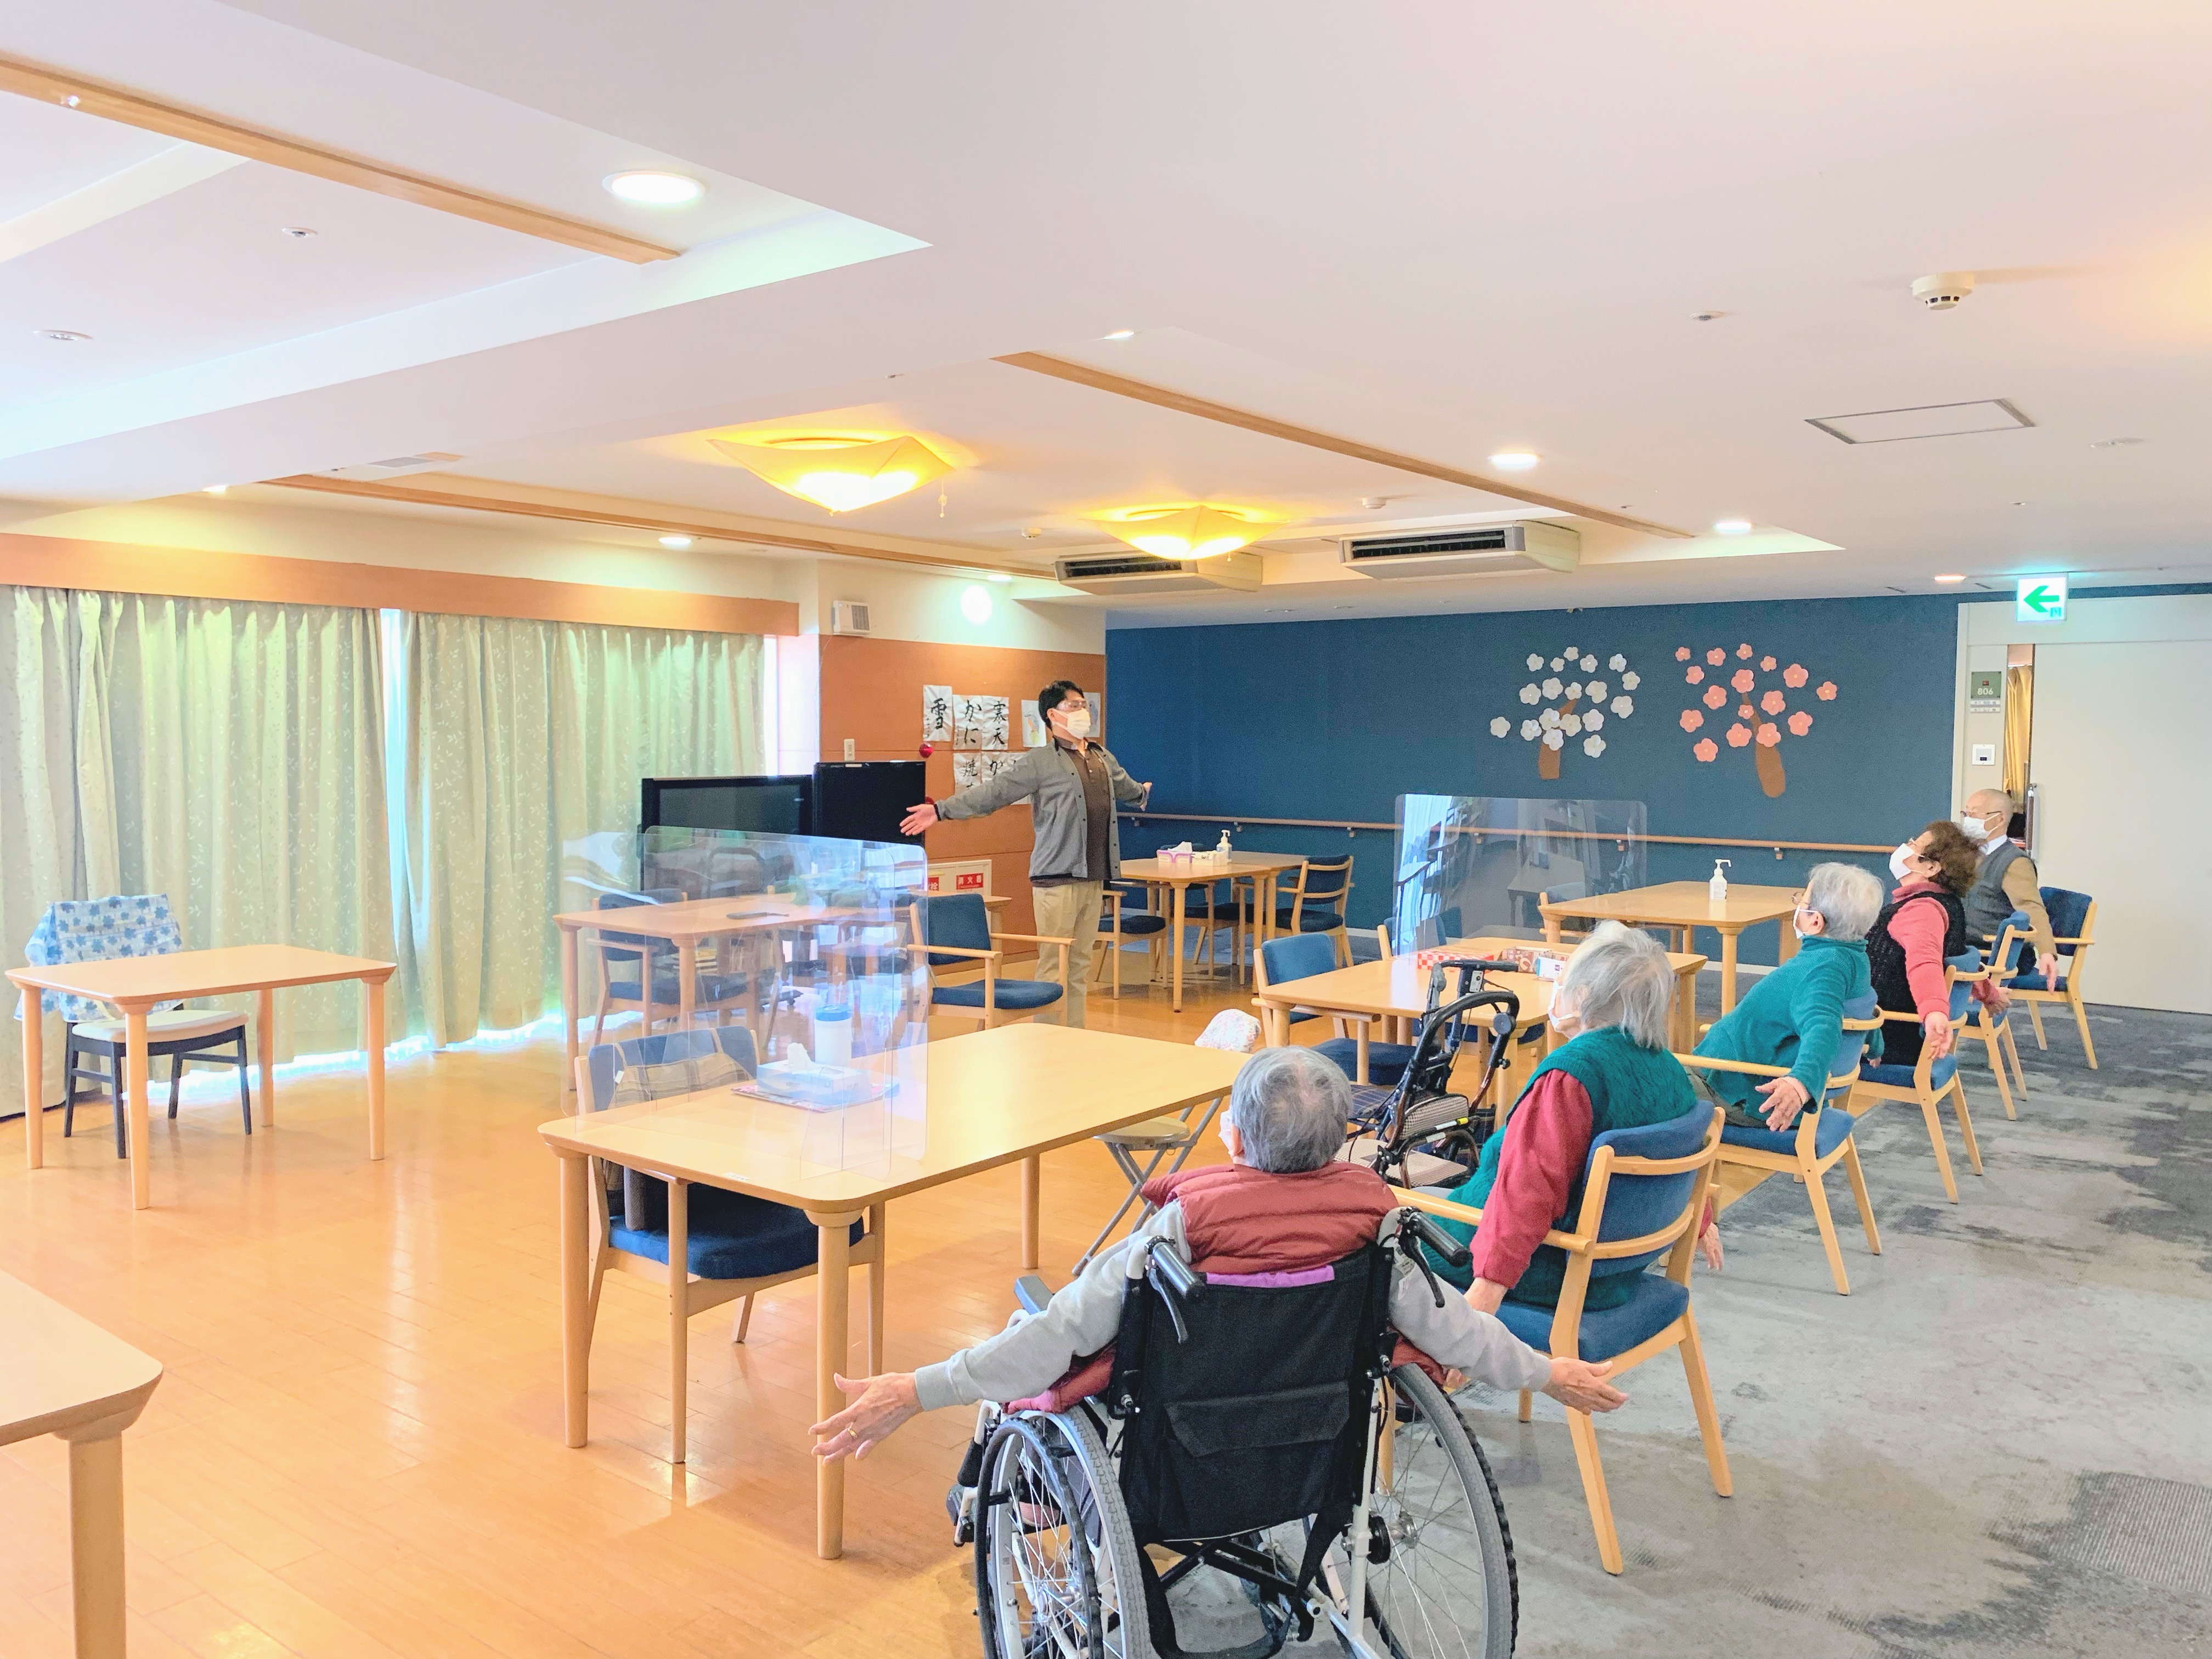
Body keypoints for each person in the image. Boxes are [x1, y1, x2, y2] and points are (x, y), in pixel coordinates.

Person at [810, 1046, 1627, 1467]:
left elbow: (1058, 1337)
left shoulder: (1182, 1229)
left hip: (1187, 1432)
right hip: (1315, 1429)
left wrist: (918, 1388)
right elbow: (1456, 1333)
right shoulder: (1373, 1222)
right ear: (1340, 1141)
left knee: (1043, 1326)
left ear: (1234, 1138)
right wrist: (1547, 1372)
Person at [1424, 923, 1705, 1314]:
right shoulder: (1671, 1071)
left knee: (1384, 1228)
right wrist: (1703, 1221)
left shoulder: (1571, 1076)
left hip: (1544, 1267)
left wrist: (1488, 1288)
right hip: (1615, 1272)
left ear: (1583, 996)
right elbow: (1678, 1155)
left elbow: (1528, 1191)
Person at [900, 681, 1149, 1028]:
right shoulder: (1040, 762)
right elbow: (994, 793)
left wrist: (1142, 794)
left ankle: (1075, 1037)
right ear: (1053, 715)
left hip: (1094, 877)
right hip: (1056, 880)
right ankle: (1047, 1038)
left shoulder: (1101, 757)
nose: (1083, 711)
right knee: (1054, 966)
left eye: (1084, 705)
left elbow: (1126, 786)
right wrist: (941, 810)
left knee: (1080, 966)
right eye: (1074, 705)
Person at [1690, 862, 1885, 1134]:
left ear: (1815, 921)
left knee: (1641, 1081)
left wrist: (1800, 1084)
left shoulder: (1820, 970)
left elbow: (1825, 1028)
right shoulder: (1854, 958)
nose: (1797, 906)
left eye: (1801, 901)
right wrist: (1874, 1044)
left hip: (1734, 1091)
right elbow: (1860, 1007)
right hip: (1732, 1074)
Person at [1870, 822, 2005, 1072]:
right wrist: (1988, 993)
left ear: (1931, 867)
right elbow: (1959, 960)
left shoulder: (1921, 910)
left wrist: (1934, 1012)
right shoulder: (1947, 904)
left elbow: (1926, 963)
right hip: (1893, 1028)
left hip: (1884, 1038)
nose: (1906, 846)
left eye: (1915, 844)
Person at [1957, 788, 2058, 986]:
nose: (1968, 820)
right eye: (1966, 814)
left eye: (1974, 814)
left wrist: (2047, 952)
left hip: (1998, 952)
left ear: (2000, 819)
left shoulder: (2014, 862)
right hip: (1968, 946)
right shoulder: (1967, 855)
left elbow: (2030, 907)